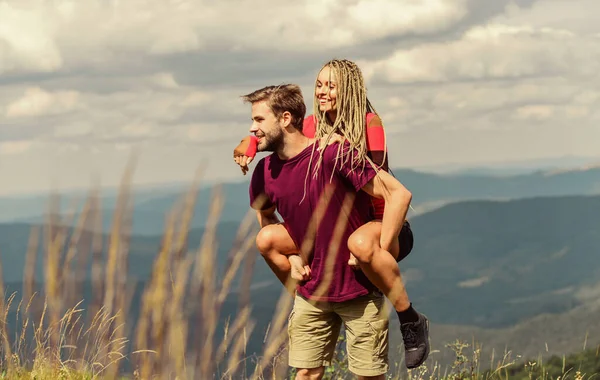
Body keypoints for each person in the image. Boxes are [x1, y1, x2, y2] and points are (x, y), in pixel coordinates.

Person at [243, 83, 429, 379]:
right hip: (311, 293)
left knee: (368, 377)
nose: (252, 129)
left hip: (357, 287)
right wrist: (292, 258)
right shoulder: (264, 172)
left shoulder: (333, 153)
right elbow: (266, 218)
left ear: (286, 119)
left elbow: (397, 194)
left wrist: (381, 247)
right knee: (306, 374)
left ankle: (410, 319)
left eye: (259, 120)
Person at [234, 59, 413, 280]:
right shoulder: (310, 125)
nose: (322, 92)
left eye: (331, 86)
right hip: (334, 224)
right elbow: (279, 136)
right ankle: (304, 293)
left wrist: (344, 147)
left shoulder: (370, 123)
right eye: (319, 85)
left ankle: (404, 310)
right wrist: (248, 146)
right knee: (267, 236)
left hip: (374, 222)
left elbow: (378, 181)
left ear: (347, 90)